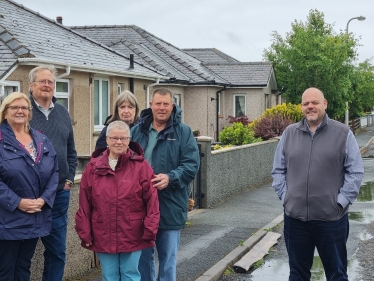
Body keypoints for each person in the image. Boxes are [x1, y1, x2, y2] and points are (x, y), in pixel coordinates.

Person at [271, 87, 364, 281]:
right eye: (306, 103)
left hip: (331, 220)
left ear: (324, 104)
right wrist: (287, 197)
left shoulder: (343, 133)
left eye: (314, 102)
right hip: (295, 220)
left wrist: (340, 202)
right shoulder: (289, 133)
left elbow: (355, 172)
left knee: (337, 274)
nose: (310, 107)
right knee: (297, 274)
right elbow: (278, 170)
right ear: (301, 107)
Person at [75, 121, 159, 281]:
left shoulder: (142, 167)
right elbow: (84, 203)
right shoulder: (93, 168)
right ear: (107, 139)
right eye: (114, 138)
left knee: (130, 275)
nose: (119, 142)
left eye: (123, 138)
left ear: (129, 140)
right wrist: (84, 231)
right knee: (109, 276)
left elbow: (152, 202)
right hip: (103, 232)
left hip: (133, 232)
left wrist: (150, 229)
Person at [131, 87, 200, 281]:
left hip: (170, 204)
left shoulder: (183, 132)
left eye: (166, 104)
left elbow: (191, 165)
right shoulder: (137, 131)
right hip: (141, 206)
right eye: (158, 103)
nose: (162, 108)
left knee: (167, 259)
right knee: (143, 260)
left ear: (172, 106)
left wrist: (171, 178)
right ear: (151, 105)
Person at [0, 92, 59, 280]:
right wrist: (17, 202)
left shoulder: (41, 139)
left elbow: (54, 172)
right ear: (5, 111)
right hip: (7, 218)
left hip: (35, 215)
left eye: (24, 108)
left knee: (24, 266)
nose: (20, 111)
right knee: (5, 269)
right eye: (14, 107)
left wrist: (43, 200)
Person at [29, 65, 77, 281]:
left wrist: (68, 180)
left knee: (57, 253)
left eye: (50, 82)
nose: (47, 85)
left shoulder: (63, 112)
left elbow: (71, 151)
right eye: (42, 81)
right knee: (23, 254)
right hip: (28, 196)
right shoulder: (22, 111)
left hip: (58, 195)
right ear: (31, 86)